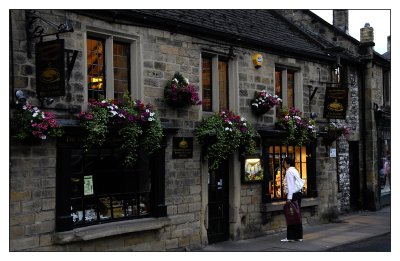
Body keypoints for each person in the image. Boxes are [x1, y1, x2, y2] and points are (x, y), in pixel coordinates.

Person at [281, 157, 303, 242]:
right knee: (297, 215)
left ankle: (291, 237)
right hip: (298, 194)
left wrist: (289, 198)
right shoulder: (295, 170)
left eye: (284, 162)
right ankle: (299, 236)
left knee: (291, 216)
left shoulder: (289, 171)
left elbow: (290, 185)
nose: (283, 164)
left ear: (288, 163)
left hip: (293, 195)